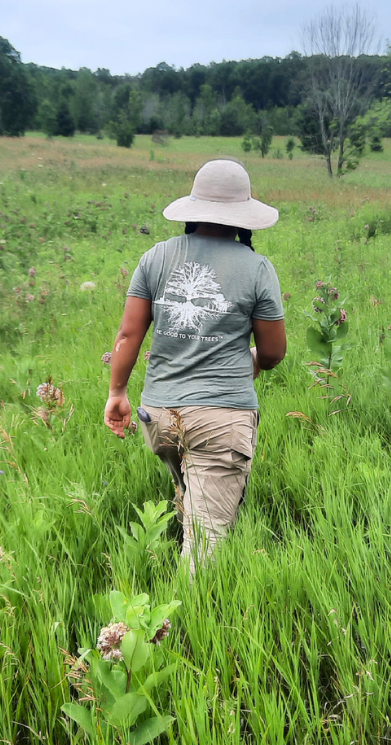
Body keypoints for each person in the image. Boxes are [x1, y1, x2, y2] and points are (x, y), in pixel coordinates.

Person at [104, 159, 286, 576]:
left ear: (194, 209)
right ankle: (181, 629)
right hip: (220, 419)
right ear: (243, 216)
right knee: (206, 552)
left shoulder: (156, 257)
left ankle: (174, 580)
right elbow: (273, 352)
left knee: (189, 493)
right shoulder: (257, 268)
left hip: (159, 416)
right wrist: (252, 362)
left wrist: (117, 394)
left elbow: (128, 336)